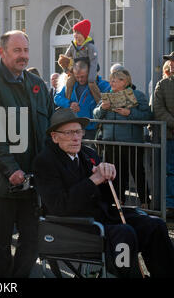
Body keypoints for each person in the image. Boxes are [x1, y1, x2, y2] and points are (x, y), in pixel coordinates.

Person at [33, 108, 174, 277]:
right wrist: (93, 181)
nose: (76, 137)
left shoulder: (88, 154)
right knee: (124, 233)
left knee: (154, 225)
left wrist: (109, 175)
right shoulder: (45, 161)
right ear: (54, 137)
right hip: (73, 226)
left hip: (102, 216)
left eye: (78, 131)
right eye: (69, 133)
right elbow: (59, 206)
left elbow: (108, 197)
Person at [0, 30, 53, 278]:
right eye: (17, 50)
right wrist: (11, 170)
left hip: (32, 180)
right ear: (2, 52)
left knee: (32, 241)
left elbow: (51, 127)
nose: (23, 56)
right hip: (2, 183)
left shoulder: (37, 84)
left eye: (26, 50)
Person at [93, 69, 152, 205]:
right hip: (111, 143)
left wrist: (129, 113)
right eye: (111, 79)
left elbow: (148, 116)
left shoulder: (138, 95)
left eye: (115, 79)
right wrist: (102, 108)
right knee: (115, 174)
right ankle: (117, 202)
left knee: (137, 172)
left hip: (131, 142)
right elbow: (95, 115)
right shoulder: (107, 96)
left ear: (125, 82)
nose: (111, 82)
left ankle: (145, 202)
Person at [55, 60, 110, 139]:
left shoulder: (102, 84)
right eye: (77, 77)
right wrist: (69, 104)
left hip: (93, 128)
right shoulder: (71, 85)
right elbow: (57, 98)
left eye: (83, 76)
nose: (80, 79)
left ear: (90, 73)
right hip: (75, 127)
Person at [152, 51, 174, 219]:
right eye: (171, 62)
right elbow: (158, 110)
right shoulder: (162, 84)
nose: (171, 64)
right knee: (169, 171)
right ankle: (170, 206)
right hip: (169, 136)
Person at [59, 19, 101, 103]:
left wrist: (91, 78)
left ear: (83, 34)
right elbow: (64, 58)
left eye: (78, 33)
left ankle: (99, 103)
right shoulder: (72, 46)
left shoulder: (90, 47)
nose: (75, 35)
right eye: (74, 32)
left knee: (91, 85)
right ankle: (68, 103)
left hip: (89, 71)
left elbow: (94, 62)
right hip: (77, 71)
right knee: (69, 82)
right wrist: (66, 70)